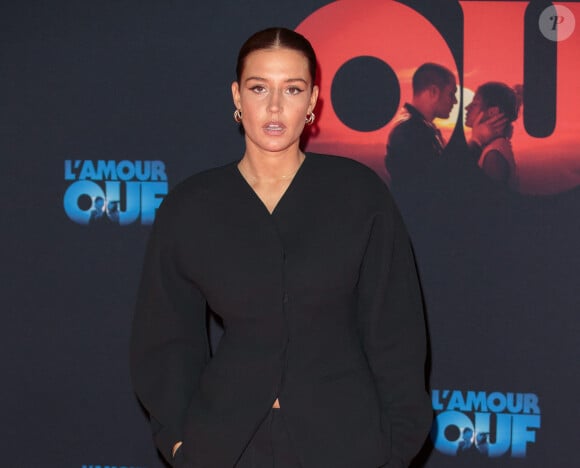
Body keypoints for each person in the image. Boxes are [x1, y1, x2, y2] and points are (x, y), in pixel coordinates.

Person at [130, 27, 431, 468]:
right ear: (237, 96)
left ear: (312, 101)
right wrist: (180, 440)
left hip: (346, 443)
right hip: (227, 445)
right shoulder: (193, 205)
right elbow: (165, 337)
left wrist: (394, 448)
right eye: (258, 88)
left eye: (292, 89)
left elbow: (397, 332)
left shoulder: (358, 195)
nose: (274, 106)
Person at [385, 63, 507, 192]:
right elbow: (444, 181)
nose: (455, 101)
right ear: (434, 92)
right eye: (451, 94)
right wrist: (476, 140)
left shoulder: (418, 126)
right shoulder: (409, 131)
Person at [465, 82, 522, 190]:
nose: (467, 108)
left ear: (492, 112)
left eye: (475, 103)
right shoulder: (492, 148)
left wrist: (475, 140)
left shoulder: (493, 156)